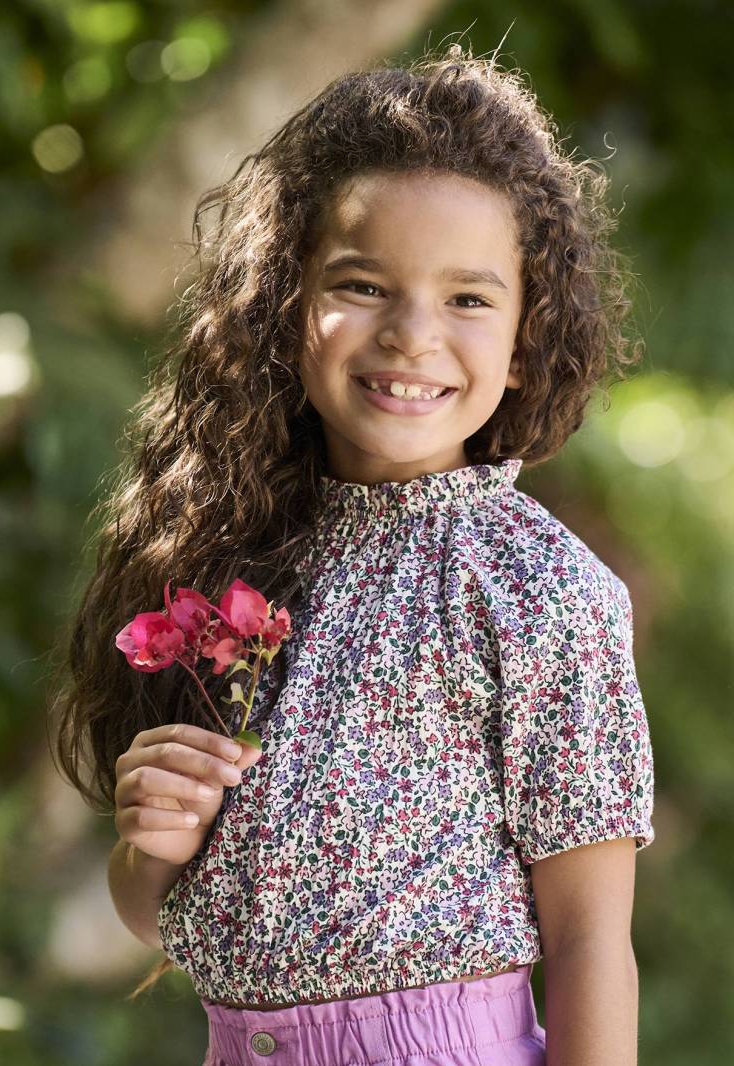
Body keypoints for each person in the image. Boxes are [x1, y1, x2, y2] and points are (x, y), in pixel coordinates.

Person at [48, 38, 656, 1066]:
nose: (411, 335)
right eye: (363, 285)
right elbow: (159, 918)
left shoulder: (538, 587)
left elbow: (590, 936)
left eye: (467, 299)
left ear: (523, 339)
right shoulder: (227, 553)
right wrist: (147, 844)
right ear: (285, 306)